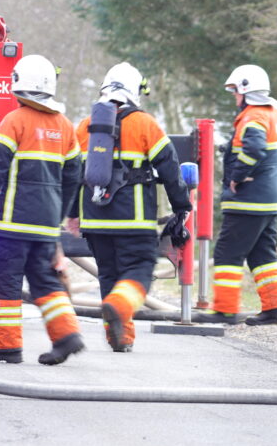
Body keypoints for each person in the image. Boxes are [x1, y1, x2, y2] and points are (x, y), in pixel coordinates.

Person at [66, 62, 191, 352]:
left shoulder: (85, 126)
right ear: (134, 91)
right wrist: (181, 206)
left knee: (108, 275)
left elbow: (72, 174)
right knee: (140, 269)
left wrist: (72, 214)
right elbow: (170, 167)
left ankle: (119, 337)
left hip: (95, 221)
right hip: (133, 221)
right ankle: (120, 310)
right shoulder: (144, 123)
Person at [0, 54, 85, 365]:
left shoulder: (14, 121)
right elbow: (74, 177)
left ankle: (6, 347)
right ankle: (67, 336)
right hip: (45, 227)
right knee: (45, 281)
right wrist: (59, 216)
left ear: (18, 84)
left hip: (12, 225)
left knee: (5, 282)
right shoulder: (65, 127)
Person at [203, 65, 277, 325]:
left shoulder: (253, 117)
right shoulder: (275, 116)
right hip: (270, 199)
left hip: (248, 200)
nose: (234, 96)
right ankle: (275, 309)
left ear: (245, 90)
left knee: (227, 254)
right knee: (263, 256)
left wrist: (237, 177)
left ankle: (224, 311)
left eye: (235, 92)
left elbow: (254, 149)